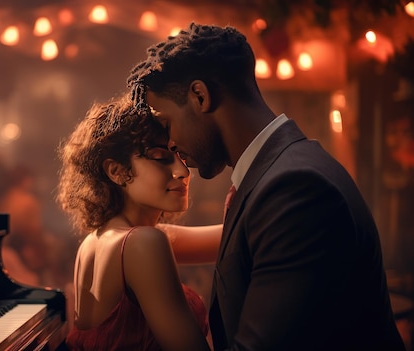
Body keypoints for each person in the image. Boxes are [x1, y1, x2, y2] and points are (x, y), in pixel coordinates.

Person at [126, 22, 406, 351]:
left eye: (167, 123)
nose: (172, 142)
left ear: (200, 96)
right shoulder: (276, 175)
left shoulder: (296, 188)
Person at [56, 93, 223, 350]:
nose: (183, 172)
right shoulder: (142, 244)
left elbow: (239, 235)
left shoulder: (97, 241)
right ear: (116, 171)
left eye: (180, 155)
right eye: (160, 158)